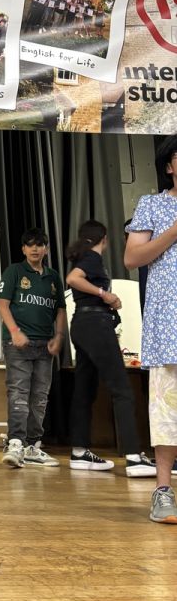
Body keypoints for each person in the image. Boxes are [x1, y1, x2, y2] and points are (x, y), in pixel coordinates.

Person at [66, 220, 155, 476]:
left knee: (84, 389)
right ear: (104, 238)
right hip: (96, 325)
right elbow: (73, 279)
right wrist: (106, 295)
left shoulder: (82, 256)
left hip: (81, 324)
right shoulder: (92, 258)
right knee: (122, 389)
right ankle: (133, 457)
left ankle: (80, 452)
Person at [125, 135, 177, 523]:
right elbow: (132, 257)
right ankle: (163, 491)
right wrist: (174, 230)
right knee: (166, 411)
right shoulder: (152, 205)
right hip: (167, 325)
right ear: (170, 166)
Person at [0, 227, 66, 468]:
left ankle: (33, 446)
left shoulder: (53, 277)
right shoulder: (14, 271)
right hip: (18, 344)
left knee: (40, 397)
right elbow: (2, 304)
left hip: (45, 345)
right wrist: (15, 331)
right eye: (30, 245)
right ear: (23, 249)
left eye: (39, 245)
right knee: (18, 393)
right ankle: (15, 443)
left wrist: (59, 336)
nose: (35, 249)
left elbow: (60, 309)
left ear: (46, 249)